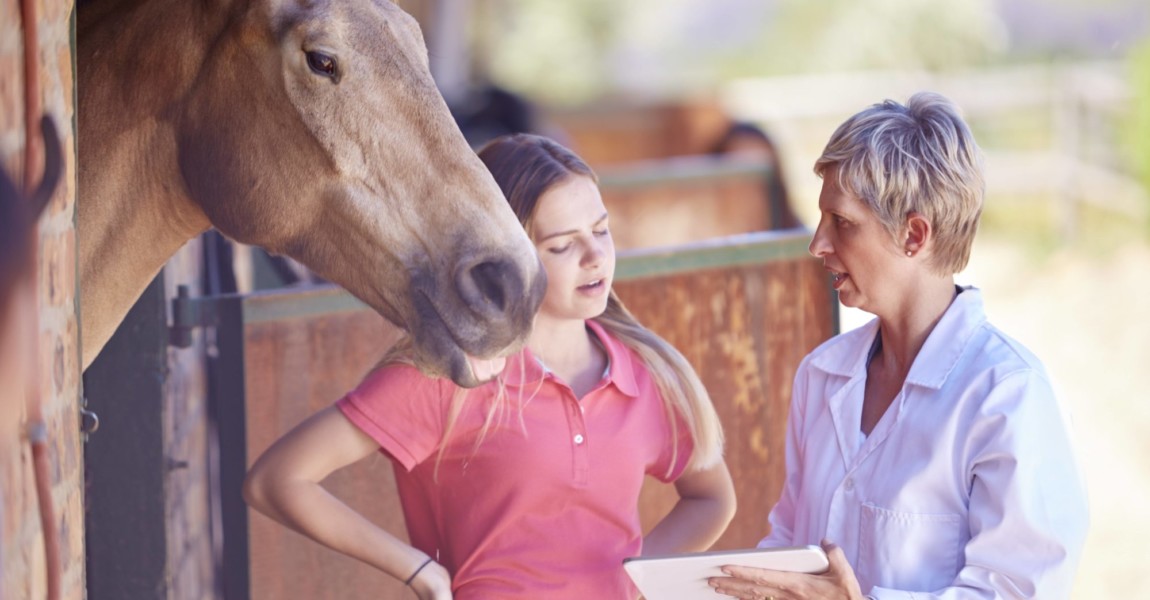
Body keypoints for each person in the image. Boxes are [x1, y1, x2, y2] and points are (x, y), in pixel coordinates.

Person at [243, 133, 737, 599]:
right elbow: (277, 480)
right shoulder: (447, 377)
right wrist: (421, 571)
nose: (595, 256)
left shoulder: (649, 375)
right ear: (502, 255)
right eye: (562, 245)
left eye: (601, 230)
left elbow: (711, 498)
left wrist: (635, 580)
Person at [709, 93, 1088, 600]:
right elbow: (790, 541)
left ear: (914, 235)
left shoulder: (1008, 396)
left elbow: (1021, 591)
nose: (818, 243)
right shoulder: (821, 375)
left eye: (842, 222)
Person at [709, 121, 803, 230]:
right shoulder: (707, 236)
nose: (749, 188)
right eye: (738, 176)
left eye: (760, 175)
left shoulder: (797, 237)